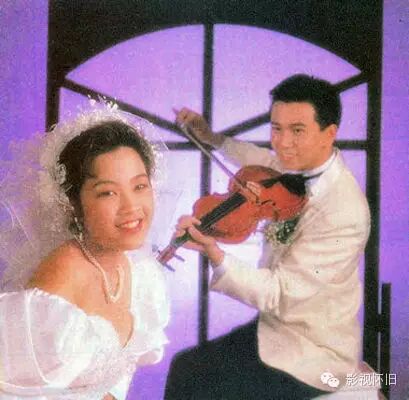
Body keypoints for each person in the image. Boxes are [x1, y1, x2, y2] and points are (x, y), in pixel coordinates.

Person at [164, 74, 370, 399]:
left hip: (313, 351)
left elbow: (278, 293)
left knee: (196, 380)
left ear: (329, 133)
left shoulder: (344, 210)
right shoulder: (293, 166)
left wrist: (213, 251)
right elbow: (256, 159)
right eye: (276, 128)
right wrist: (210, 137)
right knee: (185, 367)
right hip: (273, 330)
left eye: (297, 130)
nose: (282, 143)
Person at [0, 105, 170, 400]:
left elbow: (116, 375)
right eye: (108, 192)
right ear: (73, 205)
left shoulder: (139, 270)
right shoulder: (64, 272)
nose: (132, 207)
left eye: (140, 186)